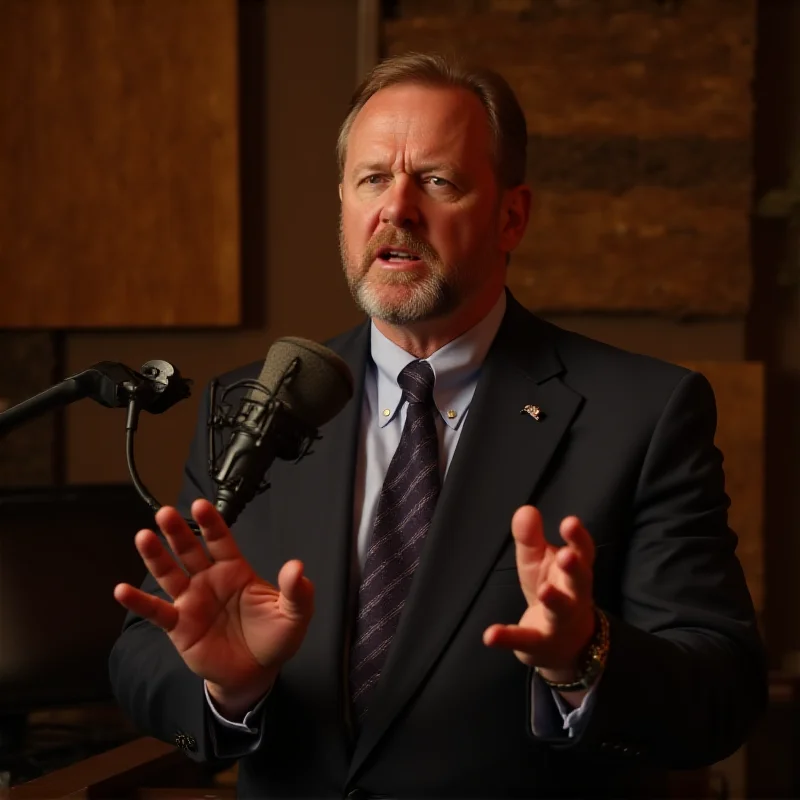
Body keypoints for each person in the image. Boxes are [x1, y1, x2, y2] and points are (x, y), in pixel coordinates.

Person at [109, 52, 766, 799]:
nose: (397, 209)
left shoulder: (643, 412)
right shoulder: (254, 402)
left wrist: (585, 657)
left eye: (437, 180)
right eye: (372, 180)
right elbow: (144, 652)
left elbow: (723, 690)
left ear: (511, 215)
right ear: (345, 206)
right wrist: (230, 690)